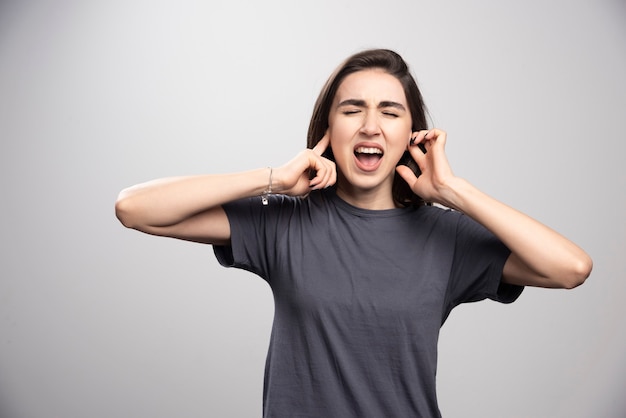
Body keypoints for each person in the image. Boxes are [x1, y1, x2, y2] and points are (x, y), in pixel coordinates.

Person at [115, 49, 592, 417]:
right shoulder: (284, 220)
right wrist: (275, 178)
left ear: (412, 133)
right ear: (329, 128)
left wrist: (455, 191)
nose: (370, 126)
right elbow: (135, 208)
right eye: (352, 110)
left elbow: (571, 268)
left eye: (389, 111)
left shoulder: (449, 237)